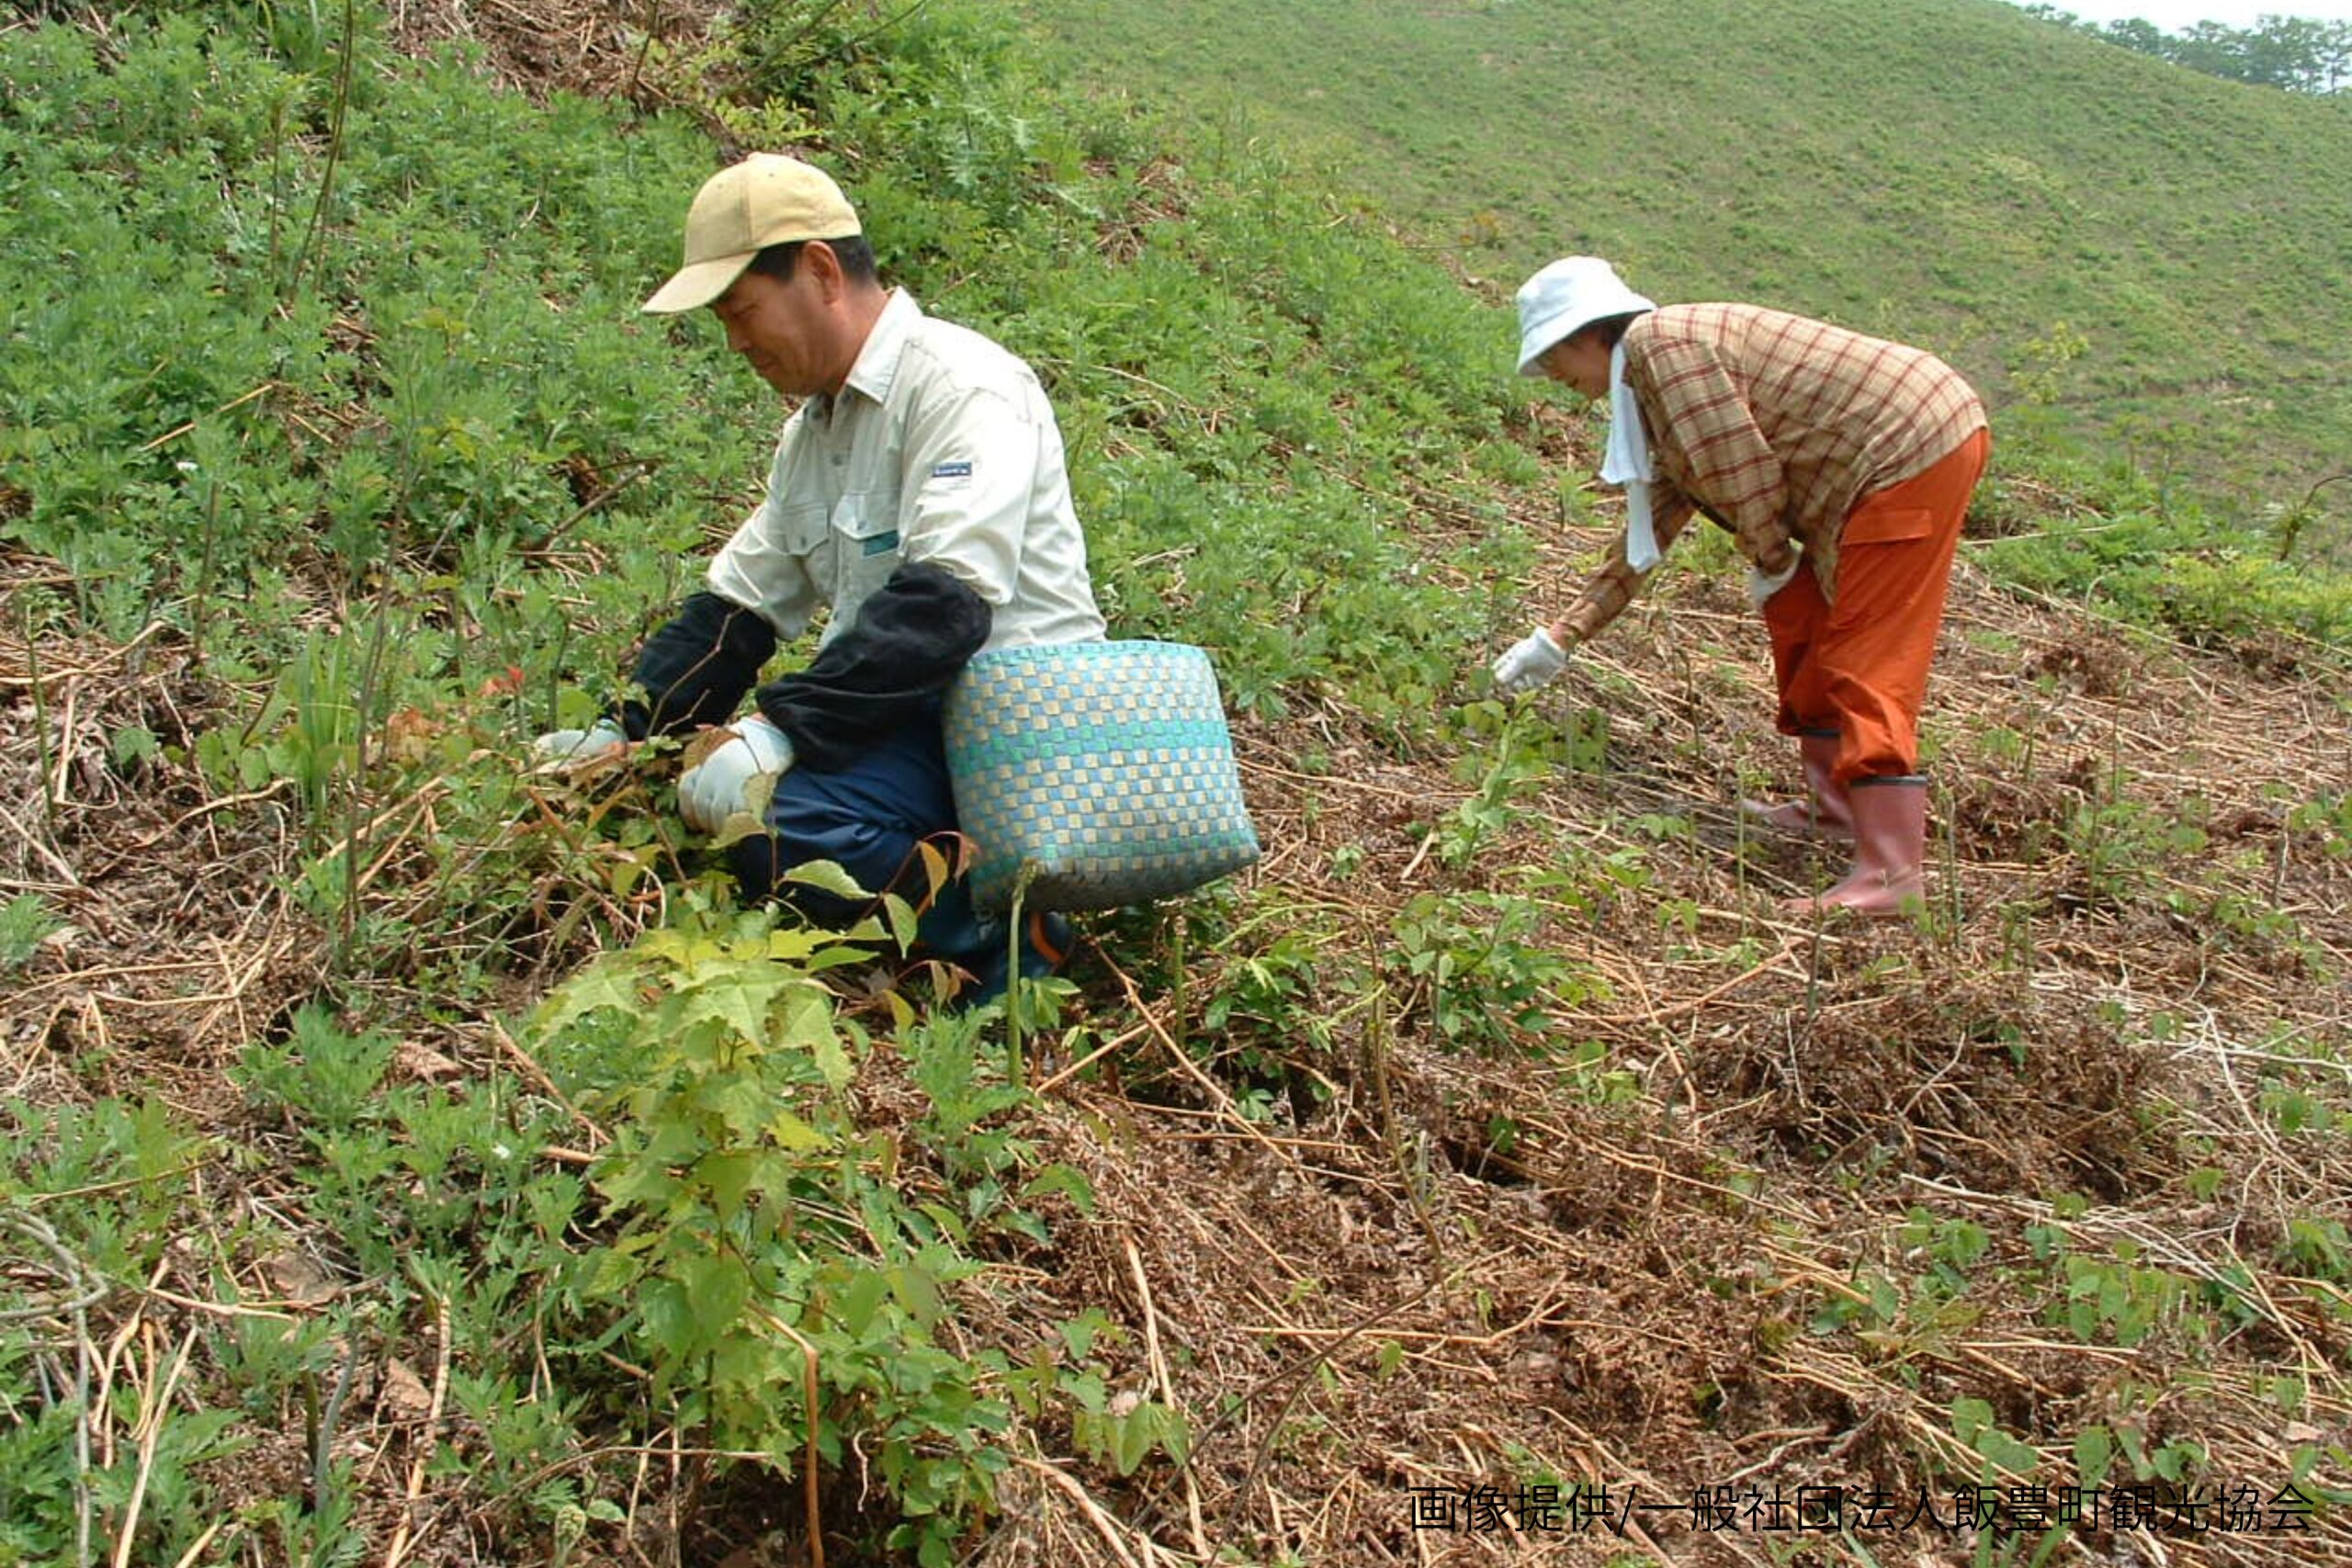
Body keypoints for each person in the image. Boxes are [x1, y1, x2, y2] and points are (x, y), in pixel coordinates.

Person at [534, 153, 1107, 997]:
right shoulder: (815, 433)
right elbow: (740, 609)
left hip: (1018, 727)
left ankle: (1009, 941)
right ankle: (916, 901)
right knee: (706, 805)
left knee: (786, 818)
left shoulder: (964, 388)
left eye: (742, 309)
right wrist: (627, 730)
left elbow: (945, 610)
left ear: (821, 270)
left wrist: (779, 732)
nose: (734, 341)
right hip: (911, 712)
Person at [1490, 257, 1988, 916]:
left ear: (1587, 335)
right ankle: (1835, 809)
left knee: (1870, 650)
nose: (1568, 388)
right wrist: (1559, 637)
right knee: (1805, 621)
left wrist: (1770, 555)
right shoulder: (1651, 392)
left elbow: (1743, 472)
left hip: (1911, 447)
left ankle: (1894, 874)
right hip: (1884, 458)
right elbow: (1648, 536)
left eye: (1559, 367)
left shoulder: (1660, 349)